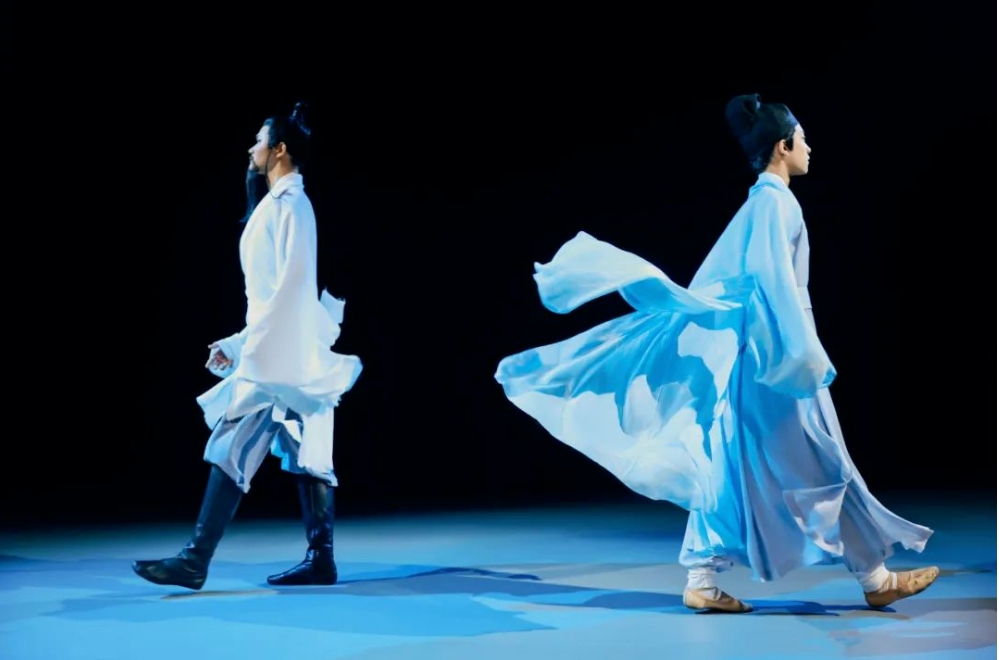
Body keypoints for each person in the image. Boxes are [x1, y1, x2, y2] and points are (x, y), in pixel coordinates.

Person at [494, 93, 938, 613]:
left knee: (731, 463)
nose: (809, 148)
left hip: (765, 353)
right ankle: (873, 577)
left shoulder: (761, 202)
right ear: (782, 146)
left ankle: (703, 579)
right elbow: (773, 282)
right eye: (802, 139)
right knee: (823, 460)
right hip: (778, 356)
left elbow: (744, 283)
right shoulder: (775, 203)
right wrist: (801, 352)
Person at [133, 102, 362, 591]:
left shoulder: (292, 206)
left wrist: (251, 354)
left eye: (259, 139)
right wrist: (240, 344)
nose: (251, 147)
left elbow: (292, 289)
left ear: (280, 149)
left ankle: (196, 560)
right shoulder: (278, 204)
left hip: (282, 355)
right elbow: (272, 294)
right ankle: (319, 558)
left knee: (233, 443)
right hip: (281, 347)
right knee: (307, 448)